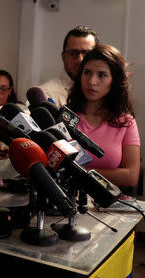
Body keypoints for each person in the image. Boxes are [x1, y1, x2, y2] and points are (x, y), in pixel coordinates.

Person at [67, 44, 140, 188]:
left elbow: (131, 176)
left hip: (108, 205)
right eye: (87, 72)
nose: (92, 81)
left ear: (114, 80)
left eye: (102, 75)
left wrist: (81, 172)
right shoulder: (66, 116)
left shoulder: (126, 122)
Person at [40, 25, 99, 107]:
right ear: (63, 57)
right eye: (73, 53)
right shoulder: (46, 94)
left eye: (86, 53)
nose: (80, 60)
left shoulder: (107, 92)